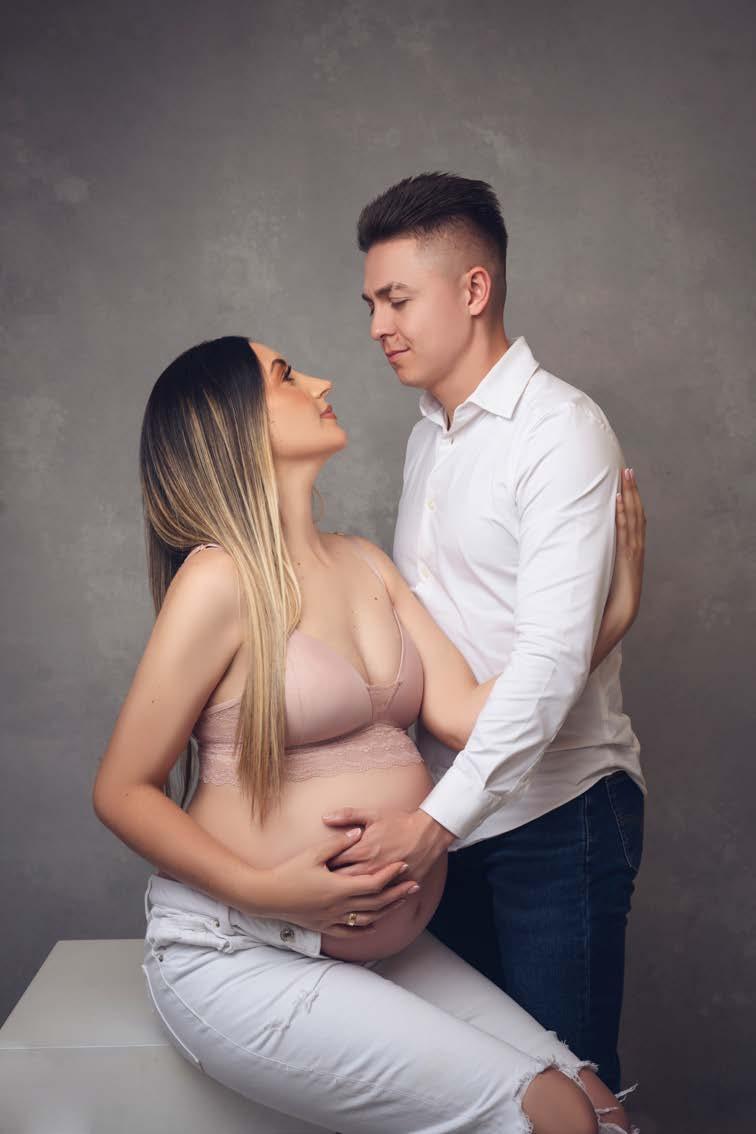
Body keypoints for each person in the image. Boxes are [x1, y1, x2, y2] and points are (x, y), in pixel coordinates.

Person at [92, 335, 643, 1133]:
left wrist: (606, 623)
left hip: (378, 949)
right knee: (558, 1115)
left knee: (600, 1108)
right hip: (240, 947)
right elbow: (121, 790)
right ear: (233, 424)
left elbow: (469, 715)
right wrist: (269, 892)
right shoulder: (219, 580)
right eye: (285, 376)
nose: (320, 381)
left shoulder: (366, 564)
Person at [321, 172, 646, 1097]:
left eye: (397, 299)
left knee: (575, 1091)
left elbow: (543, 671)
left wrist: (430, 826)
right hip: (447, 817)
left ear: (474, 289)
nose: (377, 326)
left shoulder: (561, 433)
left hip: (555, 820)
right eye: (371, 304)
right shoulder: (430, 434)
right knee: (484, 1094)